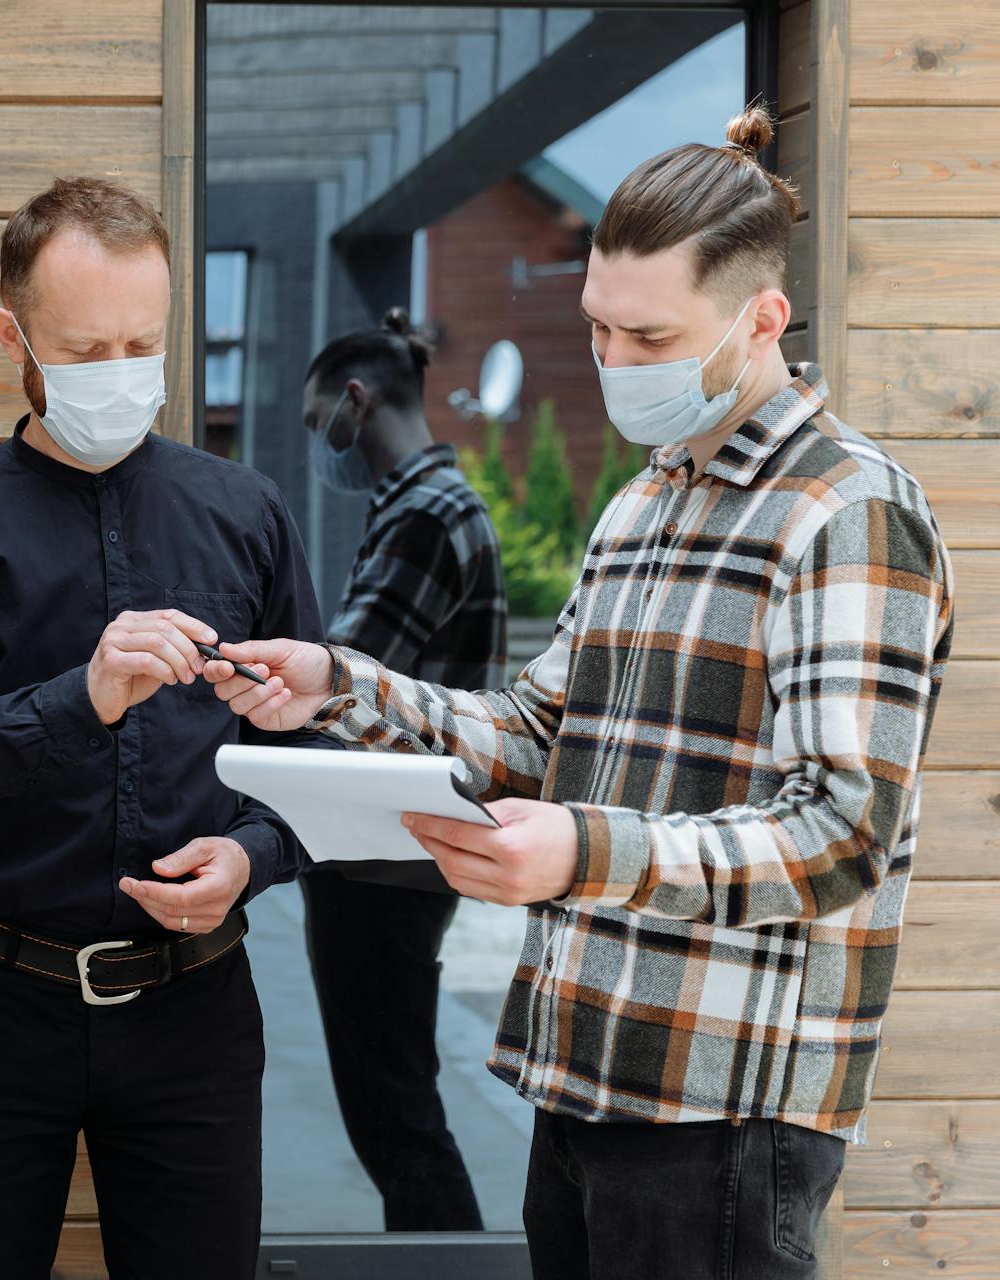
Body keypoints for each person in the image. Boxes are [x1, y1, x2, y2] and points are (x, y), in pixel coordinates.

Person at [206, 106, 952, 1280]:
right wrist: (333, 684)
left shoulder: (847, 512)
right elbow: (535, 728)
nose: (613, 360)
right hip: (584, 1069)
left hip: (725, 1101)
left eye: (649, 335)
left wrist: (581, 852)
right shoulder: (644, 502)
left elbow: (844, 829)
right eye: (597, 326)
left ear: (764, 318)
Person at [0, 177, 326, 1278]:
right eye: (86, 345)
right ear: (12, 334)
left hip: (197, 1004)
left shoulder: (244, 513)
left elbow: (314, 745)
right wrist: (81, 697)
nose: (120, 372)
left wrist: (250, 856)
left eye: (141, 342)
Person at [299, 310, 505, 1232]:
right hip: (393, 851)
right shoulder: (419, 508)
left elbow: (345, 678)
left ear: (355, 399)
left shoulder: (427, 517)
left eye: (317, 425)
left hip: (387, 856)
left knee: (395, 1116)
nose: (323, 447)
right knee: (394, 1105)